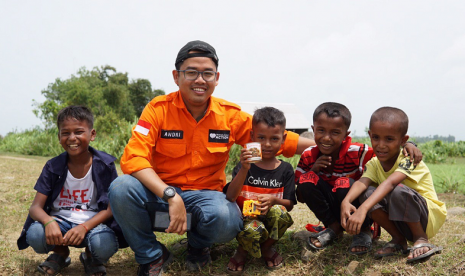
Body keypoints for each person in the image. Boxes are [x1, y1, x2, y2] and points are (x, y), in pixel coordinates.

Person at [108, 40, 314, 276]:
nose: (200, 80)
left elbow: (279, 140)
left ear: (217, 79)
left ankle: (199, 246)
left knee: (227, 219)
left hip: (206, 197)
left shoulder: (229, 116)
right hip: (161, 193)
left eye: (207, 73)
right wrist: (170, 195)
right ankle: (152, 255)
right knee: (121, 187)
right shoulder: (158, 109)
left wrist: (329, 146)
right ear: (176, 76)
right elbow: (134, 158)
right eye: (191, 72)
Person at [295, 102, 422, 255]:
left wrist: (408, 144)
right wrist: (313, 170)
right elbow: (301, 196)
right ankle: (333, 228)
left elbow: (388, 150)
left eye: (335, 132)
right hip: (333, 211)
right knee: (306, 180)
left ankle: (363, 232)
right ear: (313, 129)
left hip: (360, 211)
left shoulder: (360, 152)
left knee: (344, 183)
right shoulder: (308, 155)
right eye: (321, 130)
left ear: (346, 134)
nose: (327, 138)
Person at [17, 106, 126, 276]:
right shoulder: (53, 166)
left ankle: (91, 256)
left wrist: (84, 227)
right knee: (36, 234)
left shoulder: (105, 165)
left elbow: (110, 209)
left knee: (104, 244)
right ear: (59, 136)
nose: (72, 138)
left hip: (93, 225)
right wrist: (48, 222)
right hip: (59, 224)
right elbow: (35, 208)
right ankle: (61, 253)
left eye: (79, 132)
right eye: (65, 133)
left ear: (92, 134)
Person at [341, 107, 447, 263]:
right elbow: (362, 182)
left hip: (426, 218)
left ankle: (421, 238)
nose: (381, 145)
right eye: (376, 137)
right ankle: (398, 239)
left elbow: (390, 183)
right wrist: (346, 201)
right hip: (401, 219)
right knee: (366, 193)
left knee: (397, 190)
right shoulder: (374, 163)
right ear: (370, 135)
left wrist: (363, 209)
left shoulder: (409, 159)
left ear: (403, 141)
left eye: (389, 139)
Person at [224, 107, 296, 274]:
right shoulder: (245, 165)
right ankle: (242, 251)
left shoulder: (285, 169)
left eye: (274, 138)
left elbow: (290, 204)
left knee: (281, 212)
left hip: (271, 222)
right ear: (252, 137)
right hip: (248, 221)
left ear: (283, 138)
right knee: (252, 229)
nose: (267, 144)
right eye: (261, 137)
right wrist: (244, 168)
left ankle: (266, 247)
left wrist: (274, 201)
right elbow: (230, 196)